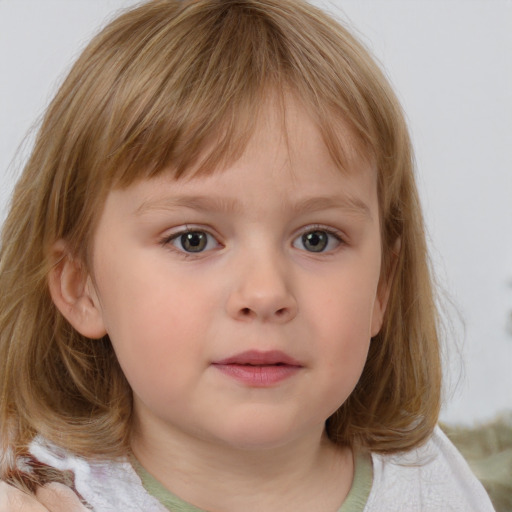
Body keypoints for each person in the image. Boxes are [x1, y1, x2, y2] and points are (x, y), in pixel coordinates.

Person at [0, 0, 495, 510]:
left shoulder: (428, 481)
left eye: (317, 239)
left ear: (382, 287)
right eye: (192, 239)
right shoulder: (46, 498)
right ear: (81, 287)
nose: (265, 293)